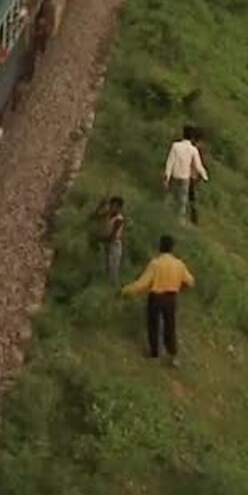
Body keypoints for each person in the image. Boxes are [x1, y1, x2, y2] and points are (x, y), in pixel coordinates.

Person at [122, 234, 195, 366]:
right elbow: (190, 282)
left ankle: (154, 353)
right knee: (170, 325)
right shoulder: (179, 264)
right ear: (172, 248)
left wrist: (126, 290)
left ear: (160, 246)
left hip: (156, 297)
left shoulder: (155, 264)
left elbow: (142, 284)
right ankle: (172, 355)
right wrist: (180, 288)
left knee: (153, 325)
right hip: (171, 297)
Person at [163, 124, 209, 224]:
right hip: (185, 178)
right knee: (182, 201)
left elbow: (170, 162)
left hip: (175, 176)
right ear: (192, 137)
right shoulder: (193, 150)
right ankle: (180, 221)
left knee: (170, 197)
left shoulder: (175, 146)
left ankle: (165, 216)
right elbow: (198, 165)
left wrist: (167, 176)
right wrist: (205, 176)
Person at [90, 196, 127, 283]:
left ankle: (113, 289)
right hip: (106, 243)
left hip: (114, 244)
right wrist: (99, 205)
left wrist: (98, 238)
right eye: (111, 205)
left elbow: (112, 236)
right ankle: (108, 288)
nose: (113, 208)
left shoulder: (119, 219)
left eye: (116, 206)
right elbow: (94, 217)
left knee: (113, 269)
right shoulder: (107, 214)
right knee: (106, 267)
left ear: (119, 208)